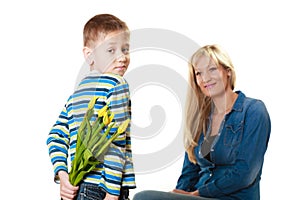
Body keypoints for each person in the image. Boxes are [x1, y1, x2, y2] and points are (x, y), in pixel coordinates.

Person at [133, 44, 271, 200]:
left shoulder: (253, 111)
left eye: (212, 69)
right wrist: (177, 194)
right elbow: (190, 172)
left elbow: (245, 173)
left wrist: (198, 193)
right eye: (199, 73)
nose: (205, 78)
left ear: (228, 72)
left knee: (144, 198)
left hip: (232, 197)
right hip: (198, 196)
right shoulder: (200, 119)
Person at [47, 14, 136, 200]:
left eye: (125, 49)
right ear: (89, 55)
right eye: (111, 50)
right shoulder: (117, 84)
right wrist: (112, 194)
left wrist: (63, 176)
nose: (122, 57)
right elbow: (115, 141)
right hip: (104, 190)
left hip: (77, 187)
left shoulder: (78, 92)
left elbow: (56, 135)